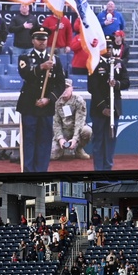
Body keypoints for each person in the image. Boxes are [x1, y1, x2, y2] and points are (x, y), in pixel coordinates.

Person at [17, 25, 67, 172]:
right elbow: (25, 74)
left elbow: (60, 84)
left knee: (44, 142)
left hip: (46, 107)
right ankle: (28, 171)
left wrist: (49, 99)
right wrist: (41, 67)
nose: (42, 42)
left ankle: (41, 171)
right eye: (38, 39)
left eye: (44, 39)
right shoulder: (25, 57)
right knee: (29, 141)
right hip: (29, 106)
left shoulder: (55, 59)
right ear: (33, 40)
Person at [88, 44, 130, 171]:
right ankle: (98, 170)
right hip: (99, 109)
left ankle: (108, 168)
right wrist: (102, 108)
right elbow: (92, 88)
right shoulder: (94, 63)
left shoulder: (119, 63)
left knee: (110, 141)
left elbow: (126, 82)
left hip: (114, 109)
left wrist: (117, 83)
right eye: (105, 47)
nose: (108, 50)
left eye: (110, 48)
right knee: (98, 141)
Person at [52, 79, 92, 160]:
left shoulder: (78, 100)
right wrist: (60, 139)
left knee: (87, 131)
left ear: (72, 88)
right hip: (64, 131)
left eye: (67, 87)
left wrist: (74, 139)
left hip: (76, 129)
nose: (64, 90)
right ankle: (60, 151)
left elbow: (79, 122)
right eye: (63, 87)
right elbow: (56, 123)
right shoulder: (56, 101)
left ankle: (79, 149)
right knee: (52, 156)